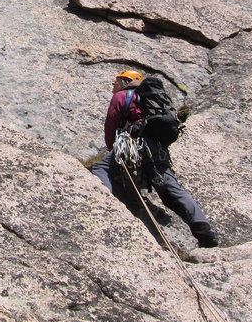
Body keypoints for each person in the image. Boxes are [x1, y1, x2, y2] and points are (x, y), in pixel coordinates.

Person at [90, 70, 219, 248]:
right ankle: (204, 231)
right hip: (157, 148)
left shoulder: (122, 96)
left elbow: (111, 122)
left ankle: (103, 203)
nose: (114, 84)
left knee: (101, 168)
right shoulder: (151, 99)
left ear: (126, 81)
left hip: (132, 143)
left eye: (117, 80)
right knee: (169, 189)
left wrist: (113, 146)